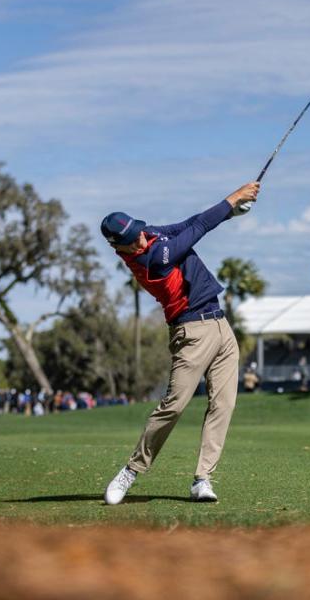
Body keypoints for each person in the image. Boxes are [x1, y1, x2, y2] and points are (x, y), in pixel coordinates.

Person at [101, 181, 260, 505]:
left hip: (221, 325)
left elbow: (187, 223)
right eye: (135, 239)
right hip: (192, 333)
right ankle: (131, 470)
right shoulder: (152, 260)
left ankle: (202, 479)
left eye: (140, 232)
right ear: (123, 247)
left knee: (224, 403)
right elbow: (200, 228)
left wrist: (232, 213)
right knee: (173, 404)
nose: (142, 237)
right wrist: (233, 198)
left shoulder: (149, 236)